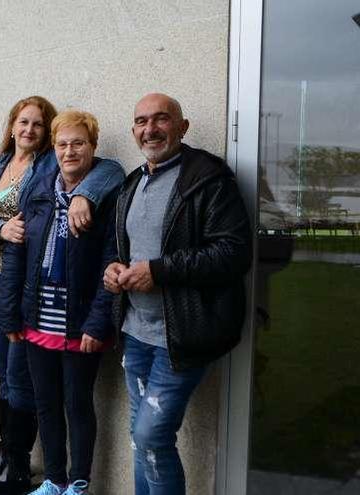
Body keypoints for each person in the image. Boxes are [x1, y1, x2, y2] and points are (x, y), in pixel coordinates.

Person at [0, 97, 124, 494]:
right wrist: (11, 313)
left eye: (78, 144)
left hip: (74, 318)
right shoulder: (16, 180)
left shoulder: (89, 187)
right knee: (31, 392)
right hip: (24, 308)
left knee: (69, 400)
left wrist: (99, 321)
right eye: (63, 144)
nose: (69, 151)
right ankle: (43, 474)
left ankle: (66, 479)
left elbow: (112, 254)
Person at [103, 93, 251, 495]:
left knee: (151, 437)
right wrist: (113, 269)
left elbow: (233, 252)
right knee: (140, 436)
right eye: (141, 121)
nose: (150, 129)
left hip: (182, 335)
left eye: (161, 119)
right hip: (136, 332)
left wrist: (160, 272)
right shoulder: (133, 183)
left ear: (182, 127)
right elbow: (126, 249)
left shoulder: (207, 177)